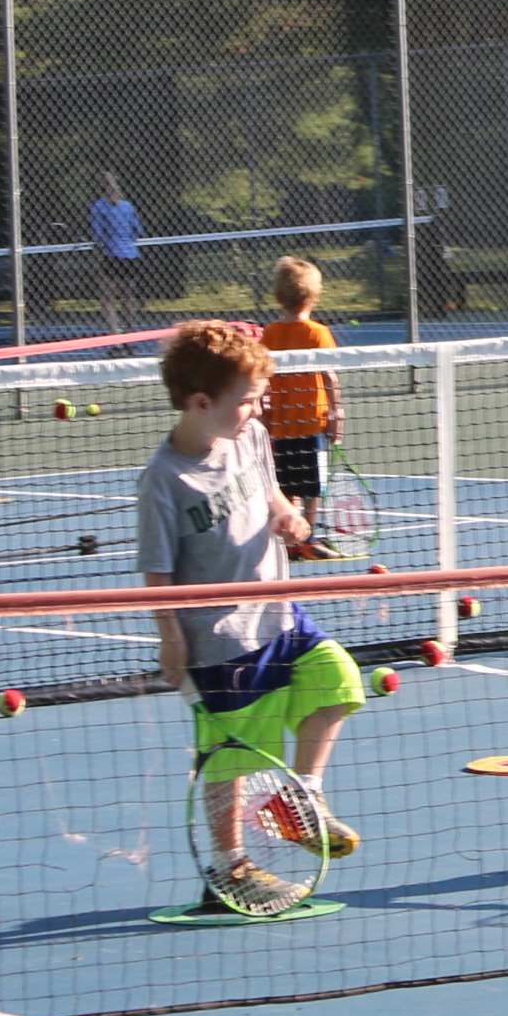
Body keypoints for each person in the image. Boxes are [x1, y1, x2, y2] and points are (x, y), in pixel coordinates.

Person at [138, 319, 364, 912]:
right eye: (246, 400)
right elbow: (157, 575)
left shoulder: (253, 437)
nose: (257, 408)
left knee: (336, 678)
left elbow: (270, 497)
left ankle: (302, 798)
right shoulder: (164, 481)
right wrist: (170, 639)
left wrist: (290, 517)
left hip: (279, 617)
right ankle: (227, 869)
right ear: (199, 401)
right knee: (235, 759)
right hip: (219, 644)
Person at [259, 256, 342, 534]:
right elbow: (329, 376)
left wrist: (264, 414)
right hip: (311, 423)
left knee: (288, 483)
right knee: (312, 485)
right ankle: (309, 532)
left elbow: (261, 381)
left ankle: (291, 534)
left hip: (281, 424)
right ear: (315, 295)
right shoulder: (318, 333)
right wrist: (336, 413)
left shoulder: (269, 333)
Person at [89, 175, 144, 334]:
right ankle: (130, 334)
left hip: (112, 256)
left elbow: (98, 235)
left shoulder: (98, 207)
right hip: (132, 256)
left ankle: (115, 339)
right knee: (127, 299)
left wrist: (99, 243)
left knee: (107, 300)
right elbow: (138, 231)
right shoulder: (127, 206)